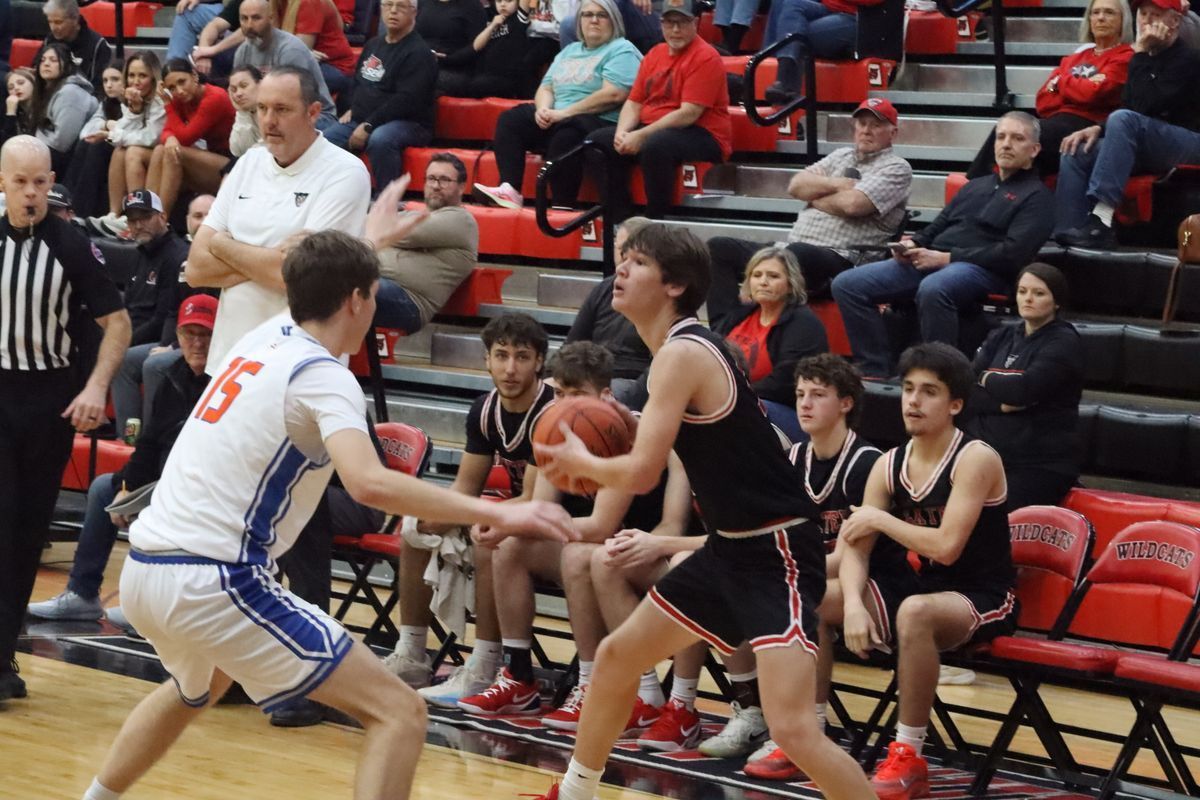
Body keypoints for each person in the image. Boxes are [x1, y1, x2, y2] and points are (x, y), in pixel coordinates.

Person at [79, 230, 574, 800]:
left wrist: (373, 235)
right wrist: (508, 513)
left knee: (198, 688)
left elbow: (313, 271)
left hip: (144, 569)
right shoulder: (323, 376)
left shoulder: (260, 338)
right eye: (373, 291)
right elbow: (368, 483)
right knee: (399, 712)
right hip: (214, 579)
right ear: (358, 302)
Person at [531, 223, 878, 800]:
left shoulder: (683, 353)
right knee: (618, 656)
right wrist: (622, 427)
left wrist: (580, 460)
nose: (619, 271)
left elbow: (642, 472)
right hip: (729, 547)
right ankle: (574, 792)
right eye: (621, 260)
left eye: (635, 263)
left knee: (793, 729)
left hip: (777, 552)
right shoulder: (685, 350)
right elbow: (689, 441)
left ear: (675, 285)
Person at [459, 341, 695, 723]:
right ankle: (518, 674)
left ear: (605, 395)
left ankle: (595, 684)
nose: (566, 404)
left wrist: (514, 522)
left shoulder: (626, 434)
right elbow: (543, 506)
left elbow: (600, 525)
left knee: (576, 552)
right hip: (599, 546)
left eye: (577, 395)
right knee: (508, 547)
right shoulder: (553, 426)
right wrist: (505, 522)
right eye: (559, 394)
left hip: (639, 548)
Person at [840, 342, 1017, 800]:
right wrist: (856, 605)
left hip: (985, 595)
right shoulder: (889, 463)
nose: (913, 401)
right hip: (925, 592)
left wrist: (880, 518)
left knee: (915, 612)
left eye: (929, 392)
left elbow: (947, 547)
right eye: (908, 389)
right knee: (819, 596)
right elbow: (855, 546)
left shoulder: (975, 457)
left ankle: (909, 754)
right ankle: (805, 731)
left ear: (955, 404)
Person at [0, 135, 131, 701]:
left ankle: (4, 658)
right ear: (2, 182)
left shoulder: (71, 244)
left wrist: (96, 387)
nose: (32, 194)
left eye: (41, 182)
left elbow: (119, 323)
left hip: (49, 398)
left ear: (52, 181)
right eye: (20, 182)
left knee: (27, 532)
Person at [732, 353, 892, 780]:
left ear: (845, 403)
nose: (804, 403)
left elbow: (852, 554)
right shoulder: (794, 458)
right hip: (815, 576)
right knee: (743, 585)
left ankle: (808, 733)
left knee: (803, 601)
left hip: (876, 581)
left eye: (818, 395)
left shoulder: (867, 463)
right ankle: (751, 710)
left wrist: (787, 570)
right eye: (800, 394)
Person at [387, 313, 556, 701]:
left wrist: (473, 515)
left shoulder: (550, 411)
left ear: (540, 361)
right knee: (416, 528)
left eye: (522, 357)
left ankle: (484, 664)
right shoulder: (484, 409)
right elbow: (466, 485)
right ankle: (411, 654)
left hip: (559, 515)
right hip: (514, 510)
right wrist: (435, 516)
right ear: (486, 360)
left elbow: (534, 498)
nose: (510, 368)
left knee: (486, 539)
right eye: (501, 355)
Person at [27, 294, 217, 623]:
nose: (197, 343)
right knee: (104, 488)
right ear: (180, 337)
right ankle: (82, 595)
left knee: (160, 498)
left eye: (206, 335)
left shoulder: (224, 382)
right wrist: (128, 485)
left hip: (202, 486)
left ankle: (151, 608)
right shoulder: (172, 375)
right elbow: (150, 443)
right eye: (190, 334)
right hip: (163, 478)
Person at [831, 111, 1055, 379]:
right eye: (1001, 137)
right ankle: (874, 368)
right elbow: (940, 224)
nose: (1006, 144)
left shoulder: (1039, 198)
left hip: (984, 271)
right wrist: (913, 243)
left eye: (1017, 138)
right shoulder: (975, 186)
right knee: (847, 284)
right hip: (932, 260)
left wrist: (947, 258)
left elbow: (1012, 254)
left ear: (1034, 149)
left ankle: (940, 374)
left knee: (935, 288)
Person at [185, 66, 369, 372]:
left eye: (282, 109)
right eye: (262, 108)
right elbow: (195, 269)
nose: (269, 121)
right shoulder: (249, 163)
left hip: (298, 368)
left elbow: (301, 278)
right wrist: (274, 258)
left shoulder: (345, 173)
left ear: (313, 112)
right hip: (229, 364)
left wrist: (222, 244)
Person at [706, 98, 912, 324]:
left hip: (843, 259)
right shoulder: (841, 155)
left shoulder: (897, 168)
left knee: (798, 253)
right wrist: (836, 184)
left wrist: (815, 198)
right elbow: (796, 185)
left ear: (893, 132)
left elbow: (853, 204)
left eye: (876, 125)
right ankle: (724, 330)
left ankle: (760, 324)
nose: (866, 130)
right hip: (791, 249)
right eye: (862, 123)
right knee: (718, 247)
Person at [1054, 0, 1200, 248]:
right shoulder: (1142, 57)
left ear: (1174, 21)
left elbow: (1145, 107)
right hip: (1151, 139)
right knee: (1077, 149)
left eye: (1156, 15)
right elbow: (1130, 105)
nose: (1147, 21)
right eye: (1143, 14)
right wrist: (1097, 128)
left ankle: (1101, 219)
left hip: (1189, 142)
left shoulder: (1188, 59)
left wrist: (1140, 52)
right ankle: (1067, 233)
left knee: (1124, 120)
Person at [473, 0, 641, 210]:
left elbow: (614, 94)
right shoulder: (569, 51)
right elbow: (546, 87)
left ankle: (563, 205)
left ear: (614, 20)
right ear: (579, 22)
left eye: (602, 15)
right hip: (560, 113)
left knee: (568, 132)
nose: (594, 20)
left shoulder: (622, 49)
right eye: (587, 15)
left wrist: (563, 113)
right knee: (511, 119)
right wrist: (543, 109)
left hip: (599, 119)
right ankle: (510, 189)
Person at [588, 0, 731, 222]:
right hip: (658, 128)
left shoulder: (706, 56)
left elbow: (689, 114)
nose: (675, 30)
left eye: (682, 23)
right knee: (598, 142)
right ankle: (619, 220)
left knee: (656, 145)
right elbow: (634, 102)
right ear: (661, 23)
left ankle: (656, 221)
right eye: (669, 22)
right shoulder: (655, 54)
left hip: (703, 133)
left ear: (695, 23)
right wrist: (622, 133)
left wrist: (642, 135)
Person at [967, 0, 1134, 180]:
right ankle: (973, 188)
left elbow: (1094, 93)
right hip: (1055, 121)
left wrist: (1062, 82)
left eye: (1109, 13)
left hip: (1086, 126)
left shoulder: (1126, 57)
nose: (1101, 18)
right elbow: (1044, 101)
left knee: (1023, 138)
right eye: (1096, 12)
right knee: (1005, 128)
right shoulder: (1074, 58)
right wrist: (1079, 86)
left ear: (1123, 21)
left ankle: (989, 193)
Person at [967, 263, 1083, 510]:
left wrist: (986, 378)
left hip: (1037, 463)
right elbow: (965, 388)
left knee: (988, 519)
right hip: (984, 455)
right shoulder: (1002, 335)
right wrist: (1001, 403)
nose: (1028, 299)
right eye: (1022, 291)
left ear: (1057, 302)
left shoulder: (1064, 341)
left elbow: (1023, 391)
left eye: (1039, 293)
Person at [714, 246, 828, 442]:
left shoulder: (804, 323)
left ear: (791, 284)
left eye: (773, 276)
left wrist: (730, 396)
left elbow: (785, 383)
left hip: (785, 411)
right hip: (732, 401)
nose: (763, 282)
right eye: (757, 275)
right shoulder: (739, 316)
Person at [323, 0, 437, 191]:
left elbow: (406, 101)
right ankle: (333, 194)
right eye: (388, 5)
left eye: (400, 6)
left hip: (410, 123)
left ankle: (387, 199)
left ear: (414, 13)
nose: (393, 11)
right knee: (326, 140)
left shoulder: (419, 53)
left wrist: (369, 125)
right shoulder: (373, 45)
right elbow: (357, 83)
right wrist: (351, 108)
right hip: (365, 118)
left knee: (380, 139)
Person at [110, 189, 193, 437]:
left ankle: (136, 440)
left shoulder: (177, 255)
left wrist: (121, 340)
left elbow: (163, 317)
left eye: (144, 217)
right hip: (138, 335)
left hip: (164, 338)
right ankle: (115, 433)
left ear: (163, 216)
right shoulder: (139, 255)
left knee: (123, 359)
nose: (138, 225)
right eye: (132, 220)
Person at [374, 152, 478, 333]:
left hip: (409, 301)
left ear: (462, 187)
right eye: (431, 179)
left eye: (445, 180)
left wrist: (374, 231)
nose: (436, 186)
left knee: (337, 285)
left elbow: (400, 232)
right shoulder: (412, 215)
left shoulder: (462, 220)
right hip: (374, 282)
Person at [564, 216, 653, 406]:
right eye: (621, 251)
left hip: (631, 382)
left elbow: (660, 369)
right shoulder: (603, 289)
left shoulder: (661, 297)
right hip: (591, 376)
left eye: (634, 257)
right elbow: (571, 346)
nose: (623, 262)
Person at [141, 59, 236, 220]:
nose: (179, 91)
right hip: (212, 160)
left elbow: (186, 137)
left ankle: (160, 220)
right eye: (172, 88)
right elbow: (166, 132)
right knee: (160, 150)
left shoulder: (214, 97)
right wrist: (170, 137)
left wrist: (167, 104)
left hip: (232, 165)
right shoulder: (182, 99)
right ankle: (145, 213)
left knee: (175, 152)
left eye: (182, 82)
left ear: (194, 76)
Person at [232, 0, 339, 129]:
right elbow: (236, 90)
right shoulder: (242, 52)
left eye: (256, 18)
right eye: (244, 18)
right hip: (270, 113)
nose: (249, 25)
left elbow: (290, 101)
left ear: (270, 19)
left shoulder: (290, 49)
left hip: (315, 117)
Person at [97, 53, 167, 232]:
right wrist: (134, 109)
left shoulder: (160, 98)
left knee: (132, 151)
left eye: (142, 76)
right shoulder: (136, 97)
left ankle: (137, 214)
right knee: (121, 151)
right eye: (131, 75)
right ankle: (114, 214)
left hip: (168, 153)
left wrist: (112, 134)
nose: (136, 81)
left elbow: (152, 137)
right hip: (152, 151)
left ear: (153, 77)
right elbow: (124, 129)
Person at [761, 0, 863, 105]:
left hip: (854, 17)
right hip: (827, 8)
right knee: (785, 3)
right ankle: (768, 78)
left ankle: (786, 86)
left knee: (795, 31)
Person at [62, 59, 126, 219]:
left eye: (115, 79)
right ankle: (65, 200)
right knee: (87, 143)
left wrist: (112, 127)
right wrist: (106, 123)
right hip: (113, 148)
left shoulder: (135, 102)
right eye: (105, 80)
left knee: (98, 146)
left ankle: (79, 212)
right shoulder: (107, 104)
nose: (109, 85)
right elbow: (85, 132)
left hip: (126, 150)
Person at [30, 42, 99, 174]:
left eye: (53, 60)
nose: (46, 64)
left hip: (71, 160)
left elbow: (62, 143)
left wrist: (35, 137)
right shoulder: (46, 91)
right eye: (42, 60)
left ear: (67, 64)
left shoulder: (70, 92)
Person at [273, 0, 359, 101]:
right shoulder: (274, 3)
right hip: (309, 61)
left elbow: (296, 53)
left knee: (280, 83)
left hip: (334, 67)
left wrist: (302, 52)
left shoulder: (310, 2)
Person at [453, 0, 530, 99]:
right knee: (461, 85)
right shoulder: (489, 17)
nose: (503, 4)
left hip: (508, 77)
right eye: (499, 1)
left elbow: (525, 4)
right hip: (486, 74)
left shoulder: (518, 19)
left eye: (509, 1)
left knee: (476, 86)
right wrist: (492, 26)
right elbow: (476, 46)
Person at [416, 0, 487, 95]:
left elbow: (476, 47)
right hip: (421, 63)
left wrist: (446, 59)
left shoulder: (472, 6)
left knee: (419, 81)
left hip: (455, 69)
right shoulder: (423, 2)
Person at [41, 0, 111, 90]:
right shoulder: (49, 40)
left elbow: (99, 88)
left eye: (58, 22)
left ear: (75, 19)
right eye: (50, 22)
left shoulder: (98, 45)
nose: (53, 28)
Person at [227, 64, 263, 156]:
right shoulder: (246, 112)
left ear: (260, 84)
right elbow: (238, 151)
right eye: (233, 90)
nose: (238, 94)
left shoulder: (276, 110)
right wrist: (242, 113)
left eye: (244, 86)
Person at [1, 68, 35, 143]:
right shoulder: (16, 111)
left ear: (34, 83)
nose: (16, 88)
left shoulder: (45, 106)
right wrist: (11, 113)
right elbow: (6, 142)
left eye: (21, 83)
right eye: (11, 88)